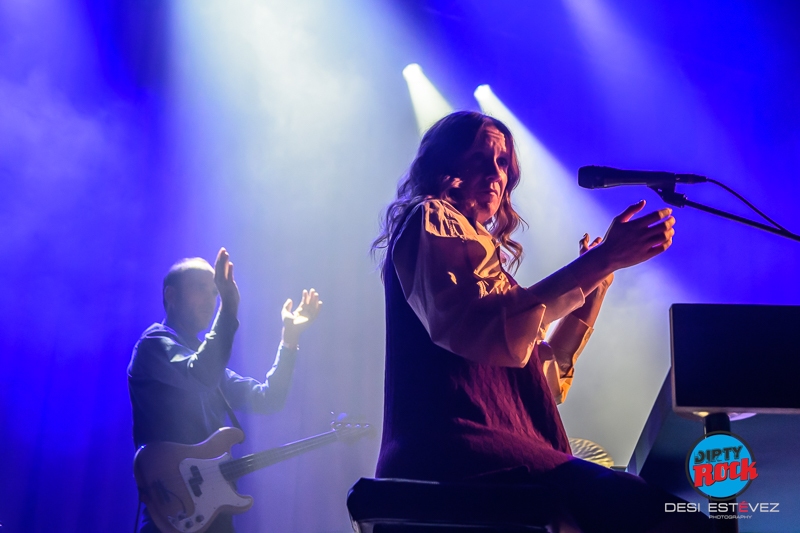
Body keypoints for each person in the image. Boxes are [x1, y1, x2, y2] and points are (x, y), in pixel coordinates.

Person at [372, 111, 709, 532]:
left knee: (663, 514)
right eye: (480, 159)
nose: (496, 175)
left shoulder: (481, 268)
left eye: (502, 164)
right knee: (669, 518)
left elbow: (542, 379)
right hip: (457, 453)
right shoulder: (431, 218)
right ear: (444, 164)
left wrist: (598, 279)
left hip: (490, 454)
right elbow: (485, 330)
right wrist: (602, 260)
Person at [128, 247, 322, 533]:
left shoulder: (203, 356)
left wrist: (289, 339)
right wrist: (229, 307)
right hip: (172, 513)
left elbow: (268, 399)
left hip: (211, 512)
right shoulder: (154, 344)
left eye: (215, 292)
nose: (211, 299)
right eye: (200, 289)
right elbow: (202, 373)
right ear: (171, 295)